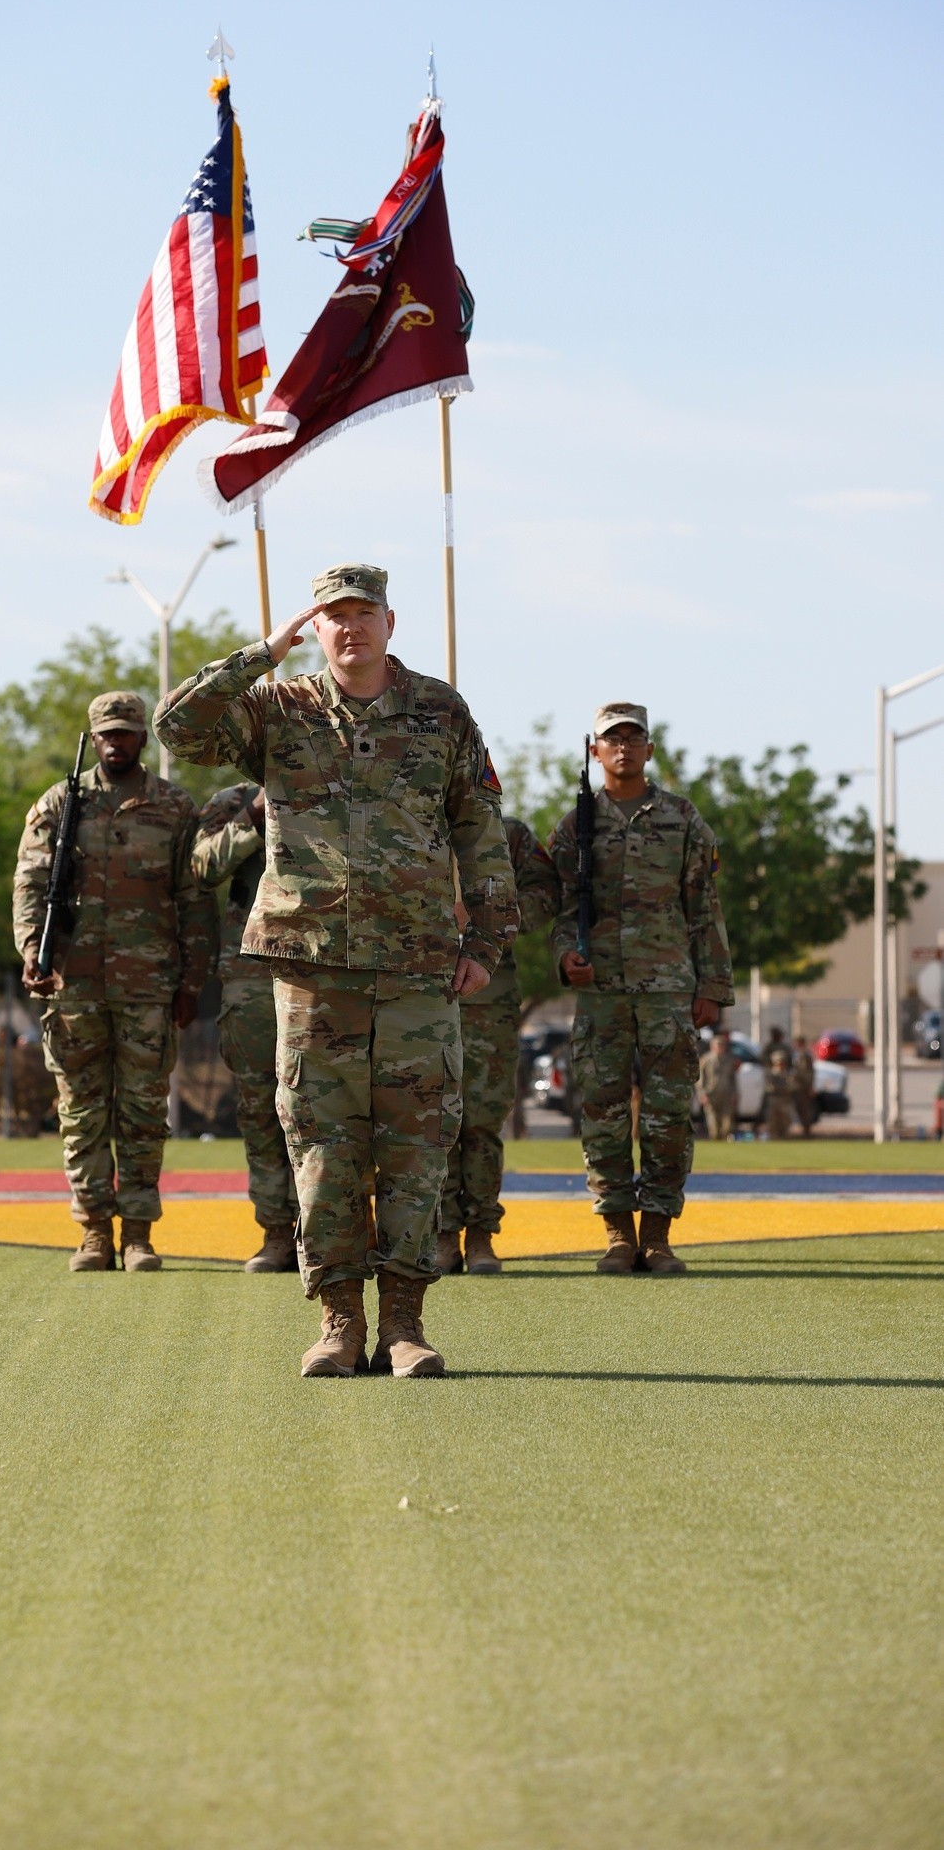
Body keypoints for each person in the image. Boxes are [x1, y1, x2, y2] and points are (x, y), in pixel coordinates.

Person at [154, 564, 518, 1377]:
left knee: (418, 1147)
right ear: (313, 629)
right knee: (322, 1148)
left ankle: (405, 1326)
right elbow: (176, 728)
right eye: (332, 616)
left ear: (393, 622)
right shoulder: (276, 710)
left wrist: (488, 942)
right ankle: (338, 1322)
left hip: (419, 963)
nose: (349, 628)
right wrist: (260, 653)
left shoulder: (440, 710)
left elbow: (477, 825)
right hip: (311, 966)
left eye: (364, 614)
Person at [13, 692, 218, 1271]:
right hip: (74, 984)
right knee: (81, 1111)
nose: (115, 741)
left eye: (126, 732)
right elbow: (30, 883)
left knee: (144, 1113)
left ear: (141, 738)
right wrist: (33, 948)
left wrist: (192, 980)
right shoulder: (61, 803)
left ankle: (138, 1233)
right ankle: (94, 1231)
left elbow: (194, 899)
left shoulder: (174, 807)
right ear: (93, 735)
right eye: (107, 732)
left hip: (150, 985)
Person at [548, 702, 734, 1275]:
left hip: (667, 990)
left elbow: (703, 908)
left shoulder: (682, 819)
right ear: (594, 751)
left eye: (634, 738)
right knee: (601, 1112)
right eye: (612, 738)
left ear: (650, 750)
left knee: (668, 1114)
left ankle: (657, 1236)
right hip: (601, 991)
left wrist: (713, 986)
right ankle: (617, 1235)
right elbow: (559, 908)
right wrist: (565, 957)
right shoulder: (576, 825)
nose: (623, 747)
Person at [437, 817, 559, 1275]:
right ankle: (443, 1235)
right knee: (433, 1120)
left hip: (490, 997)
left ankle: (482, 1235)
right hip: (420, 991)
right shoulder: (406, 821)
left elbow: (547, 895)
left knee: (483, 1121)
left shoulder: (507, 834)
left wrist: (490, 911)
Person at [193, 780, 299, 1270]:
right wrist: (255, 815)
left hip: (327, 973)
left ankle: (333, 1235)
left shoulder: (342, 778)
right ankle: (277, 1233)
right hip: (252, 975)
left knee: (333, 1111)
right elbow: (203, 867)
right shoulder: (232, 802)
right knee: (260, 1110)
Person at [698, 1032, 737, 1141]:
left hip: (726, 1094)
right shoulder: (705, 1060)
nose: (719, 1047)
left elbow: (733, 1079)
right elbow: (700, 1079)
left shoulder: (729, 1060)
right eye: (717, 1045)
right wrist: (702, 1094)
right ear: (712, 1046)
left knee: (727, 1124)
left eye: (721, 1045)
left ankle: (724, 1141)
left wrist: (735, 1094)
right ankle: (715, 1140)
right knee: (713, 1124)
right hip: (711, 1094)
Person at [764, 1048, 795, 1139]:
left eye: (782, 1062)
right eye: (778, 1062)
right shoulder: (771, 1074)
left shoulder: (788, 1074)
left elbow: (792, 1087)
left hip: (785, 1102)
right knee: (773, 1124)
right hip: (774, 1101)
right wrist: (783, 1088)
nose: (781, 1065)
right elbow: (770, 1088)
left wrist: (783, 1088)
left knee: (786, 1124)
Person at [791, 1034, 815, 1136]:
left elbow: (807, 1073)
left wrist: (808, 1086)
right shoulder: (798, 1054)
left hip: (803, 1087)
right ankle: (805, 1131)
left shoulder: (804, 1055)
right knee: (800, 1110)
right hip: (799, 1087)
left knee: (804, 1110)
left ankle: (807, 1132)